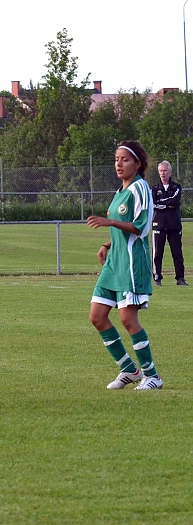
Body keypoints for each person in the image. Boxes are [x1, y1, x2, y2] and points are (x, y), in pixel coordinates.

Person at [87, 141, 163, 390]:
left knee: (128, 319)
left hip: (131, 263)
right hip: (114, 262)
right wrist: (108, 244)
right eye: (116, 159)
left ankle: (152, 376)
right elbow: (123, 228)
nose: (118, 164)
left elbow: (140, 227)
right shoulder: (121, 191)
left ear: (137, 164)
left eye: (125, 159)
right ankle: (130, 370)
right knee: (97, 316)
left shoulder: (140, 189)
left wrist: (109, 222)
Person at [151, 160, 185, 286]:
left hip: (174, 225)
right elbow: (153, 204)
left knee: (177, 253)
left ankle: (180, 278)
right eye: (160, 171)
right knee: (157, 253)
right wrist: (166, 205)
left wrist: (161, 203)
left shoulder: (176, 187)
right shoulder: (154, 189)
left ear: (170, 172)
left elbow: (175, 201)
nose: (162, 173)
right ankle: (157, 278)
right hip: (158, 224)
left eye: (165, 171)